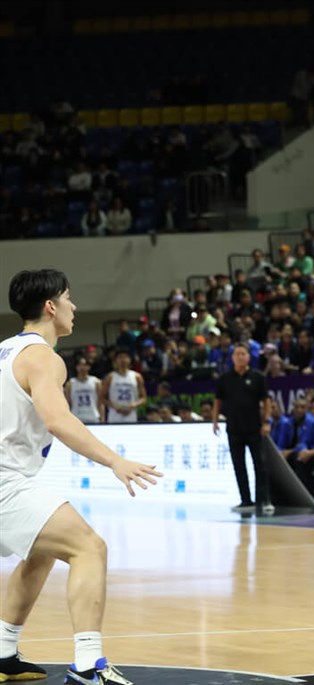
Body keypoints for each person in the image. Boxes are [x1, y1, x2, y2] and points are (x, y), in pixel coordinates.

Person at [0, 269, 161, 685]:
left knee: (42, 550)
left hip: (9, 478)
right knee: (89, 547)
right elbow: (57, 420)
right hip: (5, 481)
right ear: (51, 306)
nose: (75, 307)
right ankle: (89, 665)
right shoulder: (43, 357)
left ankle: (2, 652)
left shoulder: (4, 350)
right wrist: (114, 461)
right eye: (68, 299)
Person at [212, 343, 274, 515]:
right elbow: (218, 401)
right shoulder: (224, 379)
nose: (240, 357)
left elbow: (266, 401)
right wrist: (215, 420)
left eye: (243, 354)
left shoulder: (257, 377)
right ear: (232, 358)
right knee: (239, 465)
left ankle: (264, 501)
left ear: (248, 357)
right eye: (237, 354)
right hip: (233, 429)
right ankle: (246, 500)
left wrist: (266, 422)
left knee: (260, 465)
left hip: (254, 428)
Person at [101, 349, 146, 424]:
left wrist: (133, 405)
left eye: (125, 357)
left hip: (131, 413)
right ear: (116, 360)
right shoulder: (110, 377)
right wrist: (113, 405)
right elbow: (102, 398)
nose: (123, 360)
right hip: (114, 414)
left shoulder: (137, 376)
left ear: (129, 360)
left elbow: (143, 398)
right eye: (120, 357)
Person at [64, 355, 104, 424]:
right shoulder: (71, 383)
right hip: (77, 417)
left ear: (89, 367)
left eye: (84, 365)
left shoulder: (96, 382)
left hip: (93, 417)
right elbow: (67, 403)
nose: (82, 367)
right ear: (76, 367)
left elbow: (100, 402)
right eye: (79, 365)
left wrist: (102, 418)